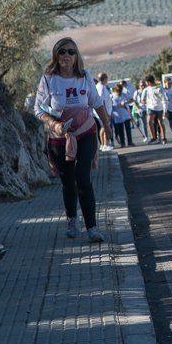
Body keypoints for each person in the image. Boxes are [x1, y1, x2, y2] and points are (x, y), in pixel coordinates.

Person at [35, 37, 111, 242]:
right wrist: (54, 124)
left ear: (76, 56)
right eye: (62, 52)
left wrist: (106, 125)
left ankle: (92, 228)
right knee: (68, 182)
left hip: (86, 133)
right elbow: (39, 109)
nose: (66, 55)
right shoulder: (48, 79)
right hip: (60, 138)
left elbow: (96, 102)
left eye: (71, 52)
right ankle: (71, 220)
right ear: (56, 55)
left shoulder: (84, 76)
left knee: (83, 179)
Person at [142, 75, 167, 144]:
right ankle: (153, 137)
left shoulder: (159, 88)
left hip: (159, 108)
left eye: (147, 82)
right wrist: (144, 102)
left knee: (161, 123)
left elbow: (164, 100)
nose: (146, 84)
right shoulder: (147, 89)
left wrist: (165, 111)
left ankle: (164, 137)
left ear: (149, 82)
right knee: (149, 121)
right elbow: (145, 99)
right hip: (151, 108)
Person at [110, 83, 134, 147]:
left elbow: (132, 100)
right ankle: (122, 143)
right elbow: (112, 105)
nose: (119, 92)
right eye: (118, 91)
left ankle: (130, 142)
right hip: (117, 116)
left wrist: (126, 102)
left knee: (128, 129)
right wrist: (120, 104)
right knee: (120, 131)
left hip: (126, 114)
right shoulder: (112, 96)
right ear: (115, 90)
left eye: (120, 90)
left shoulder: (124, 94)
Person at [95, 73, 114, 152]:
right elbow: (102, 102)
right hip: (104, 112)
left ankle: (103, 145)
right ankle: (106, 144)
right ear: (105, 78)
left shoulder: (99, 86)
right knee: (105, 127)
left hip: (102, 112)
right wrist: (106, 113)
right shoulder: (102, 87)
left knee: (102, 128)